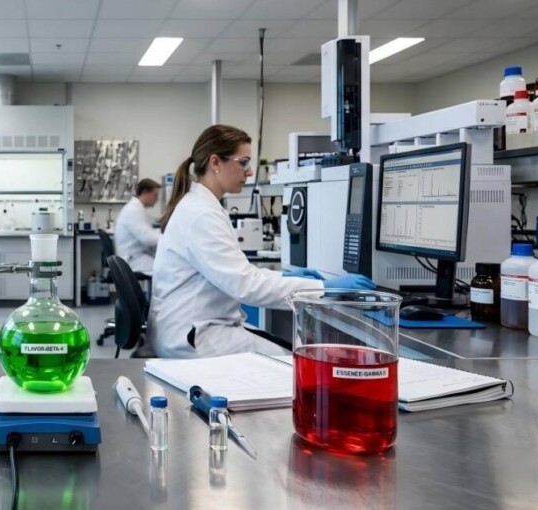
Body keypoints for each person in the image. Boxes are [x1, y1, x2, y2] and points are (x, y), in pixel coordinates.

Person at [149, 124, 374, 358]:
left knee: (290, 352)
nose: (249, 172)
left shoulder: (201, 206)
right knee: (292, 363)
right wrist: (323, 289)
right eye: (243, 162)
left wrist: (286, 277)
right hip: (194, 337)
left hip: (196, 326)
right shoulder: (201, 214)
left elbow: (240, 273)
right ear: (215, 163)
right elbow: (246, 286)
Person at [115, 178, 162, 274]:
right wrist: (170, 238)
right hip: (132, 260)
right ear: (145, 192)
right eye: (155, 195)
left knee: (164, 264)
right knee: (165, 269)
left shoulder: (137, 208)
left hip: (135, 256)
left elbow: (149, 232)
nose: (157, 199)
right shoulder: (133, 210)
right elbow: (147, 238)